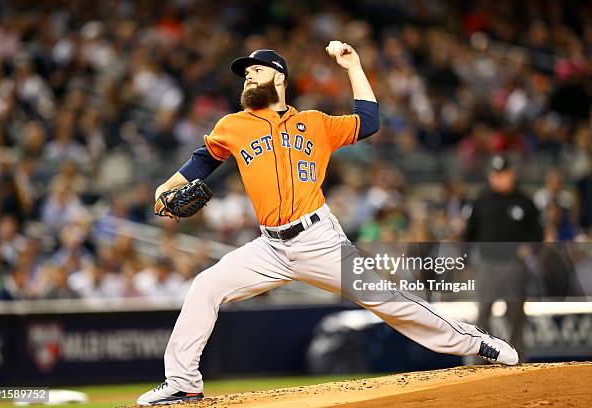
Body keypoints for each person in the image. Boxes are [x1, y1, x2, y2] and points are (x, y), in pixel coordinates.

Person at [137, 42, 518, 406]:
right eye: (245, 74)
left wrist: (353, 67)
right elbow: (202, 161)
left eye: (256, 71)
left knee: (389, 301)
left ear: (279, 78)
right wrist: (167, 187)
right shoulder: (233, 126)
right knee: (205, 285)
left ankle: (476, 342)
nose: (248, 78)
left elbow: (368, 121)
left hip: (319, 239)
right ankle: (182, 384)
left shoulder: (314, 123)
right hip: (269, 247)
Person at [463, 155, 543, 360]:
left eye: (503, 174)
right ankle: (478, 358)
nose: (499, 179)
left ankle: (517, 357)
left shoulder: (524, 201)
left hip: (514, 265)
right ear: (490, 176)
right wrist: (466, 261)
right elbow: (468, 234)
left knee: (515, 314)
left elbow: (538, 233)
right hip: (488, 264)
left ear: (511, 174)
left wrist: (530, 249)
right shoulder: (481, 201)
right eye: (495, 175)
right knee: (483, 313)